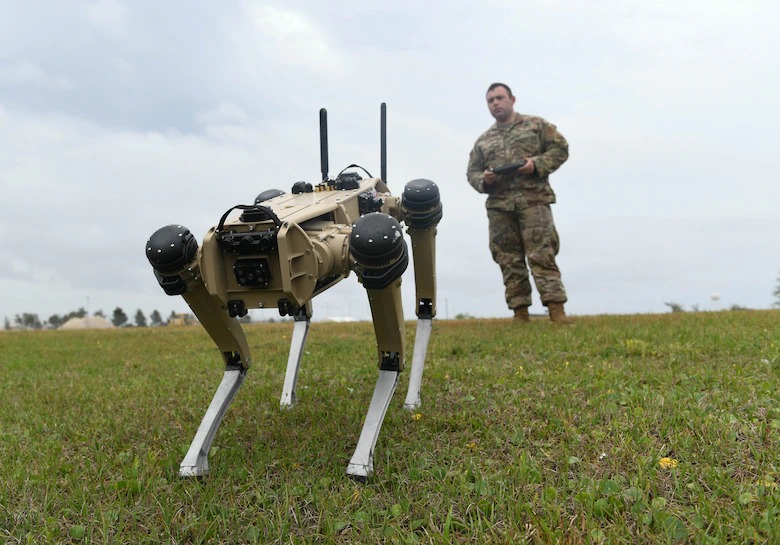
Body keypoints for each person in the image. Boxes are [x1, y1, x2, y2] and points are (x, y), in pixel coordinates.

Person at [467, 82, 570, 323]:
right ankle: (520, 313)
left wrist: (536, 164)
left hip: (534, 202)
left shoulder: (536, 126)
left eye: (500, 98)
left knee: (542, 254)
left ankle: (557, 311)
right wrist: (485, 179)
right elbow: (471, 173)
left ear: (512, 99)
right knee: (508, 259)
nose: (496, 103)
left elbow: (561, 149)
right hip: (500, 208)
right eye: (491, 100)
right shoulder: (483, 141)